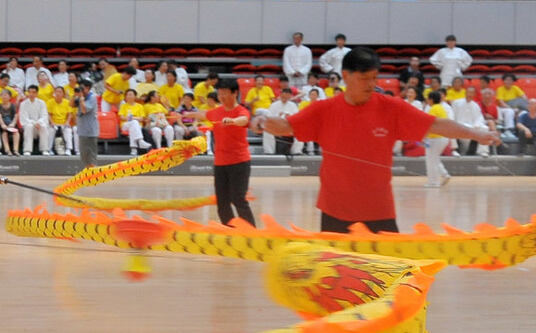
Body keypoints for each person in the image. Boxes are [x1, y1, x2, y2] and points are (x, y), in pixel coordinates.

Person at [254, 48, 498, 233]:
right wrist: (261, 121)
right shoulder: (323, 109)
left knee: (386, 285)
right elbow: (286, 126)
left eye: (375, 78)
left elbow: (435, 124)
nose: (372, 85)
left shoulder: (391, 108)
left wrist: (476, 133)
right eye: (365, 79)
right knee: (337, 286)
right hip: (335, 211)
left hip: (379, 210)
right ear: (346, 76)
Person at [207, 81, 256, 226]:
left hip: (239, 162)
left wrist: (232, 121)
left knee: (238, 198)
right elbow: (203, 114)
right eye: (219, 93)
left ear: (235, 93)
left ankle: (251, 232)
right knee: (222, 201)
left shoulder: (241, 111)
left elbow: (244, 120)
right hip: (220, 163)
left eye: (224, 93)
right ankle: (230, 231)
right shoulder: (216, 112)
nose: (221, 96)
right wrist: (183, 115)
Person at [422, 90, 452, 188]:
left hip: (435, 139)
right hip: (443, 138)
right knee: (434, 159)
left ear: (431, 100)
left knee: (431, 160)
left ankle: (433, 182)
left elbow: (429, 125)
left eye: (428, 99)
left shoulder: (433, 109)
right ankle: (444, 174)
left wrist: (423, 137)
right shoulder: (441, 108)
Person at [75, 75, 99, 167]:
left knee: (91, 155)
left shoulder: (92, 97)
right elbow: (71, 104)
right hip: (82, 130)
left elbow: (84, 110)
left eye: (82, 88)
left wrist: (81, 98)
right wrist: (75, 95)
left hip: (90, 131)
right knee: (84, 155)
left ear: (88, 88)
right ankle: (89, 173)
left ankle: (94, 175)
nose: (81, 90)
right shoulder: (81, 97)